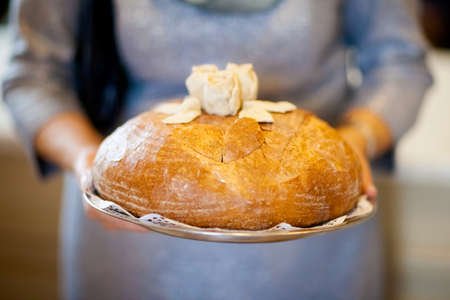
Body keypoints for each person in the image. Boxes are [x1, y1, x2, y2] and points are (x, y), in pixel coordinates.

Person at [3, 0, 432, 299]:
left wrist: (355, 140)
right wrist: (86, 158)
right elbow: (32, 76)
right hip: (133, 238)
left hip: (310, 226)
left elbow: (399, 62)